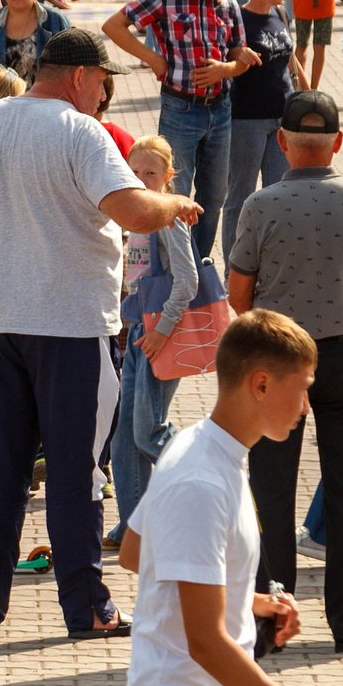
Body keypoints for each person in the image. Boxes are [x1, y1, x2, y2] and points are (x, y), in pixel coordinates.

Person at [0, 26, 199, 638]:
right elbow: (136, 211)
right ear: (81, 77)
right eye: (103, 85)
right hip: (72, 328)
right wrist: (176, 204)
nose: (102, 98)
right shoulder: (79, 132)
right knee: (77, 472)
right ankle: (86, 607)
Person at [117, 310, 343, 686]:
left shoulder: (203, 447)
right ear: (260, 384)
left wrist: (249, 600)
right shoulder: (200, 481)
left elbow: (136, 552)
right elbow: (205, 643)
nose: (307, 406)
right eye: (302, 388)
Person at [226, 91, 343, 651]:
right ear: (339, 142)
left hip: (277, 357)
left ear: (282, 142)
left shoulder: (260, 205)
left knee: (272, 489)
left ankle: (273, 622)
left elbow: (238, 288)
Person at [105, 0, 261, 264]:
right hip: (180, 109)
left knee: (214, 196)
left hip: (220, 109)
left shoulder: (228, 2)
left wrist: (228, 67)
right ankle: (172, 270)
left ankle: (197, 267)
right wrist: (152, 59)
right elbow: (114, 26)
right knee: (174, 195)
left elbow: (236, 52)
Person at [111, 136, 193, 538]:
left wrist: (161, 331)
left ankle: (207, 471)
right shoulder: (134, 216)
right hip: (138, 333)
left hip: (162, 335)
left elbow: (188, 281)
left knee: (148, 432)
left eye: (151, 174)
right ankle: (134, 529)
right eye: (136, 172)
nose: (142, 180)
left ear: (168, 177)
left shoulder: (169, 218)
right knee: (124, 442)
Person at [218, 0, 296, 259]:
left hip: (283, 120)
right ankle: (233, 267)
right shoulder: (239, 20)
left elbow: (288, 62)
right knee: (240, 196)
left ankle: (272, 263)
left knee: (279, 194)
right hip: (247, 120)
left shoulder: (280, 12)